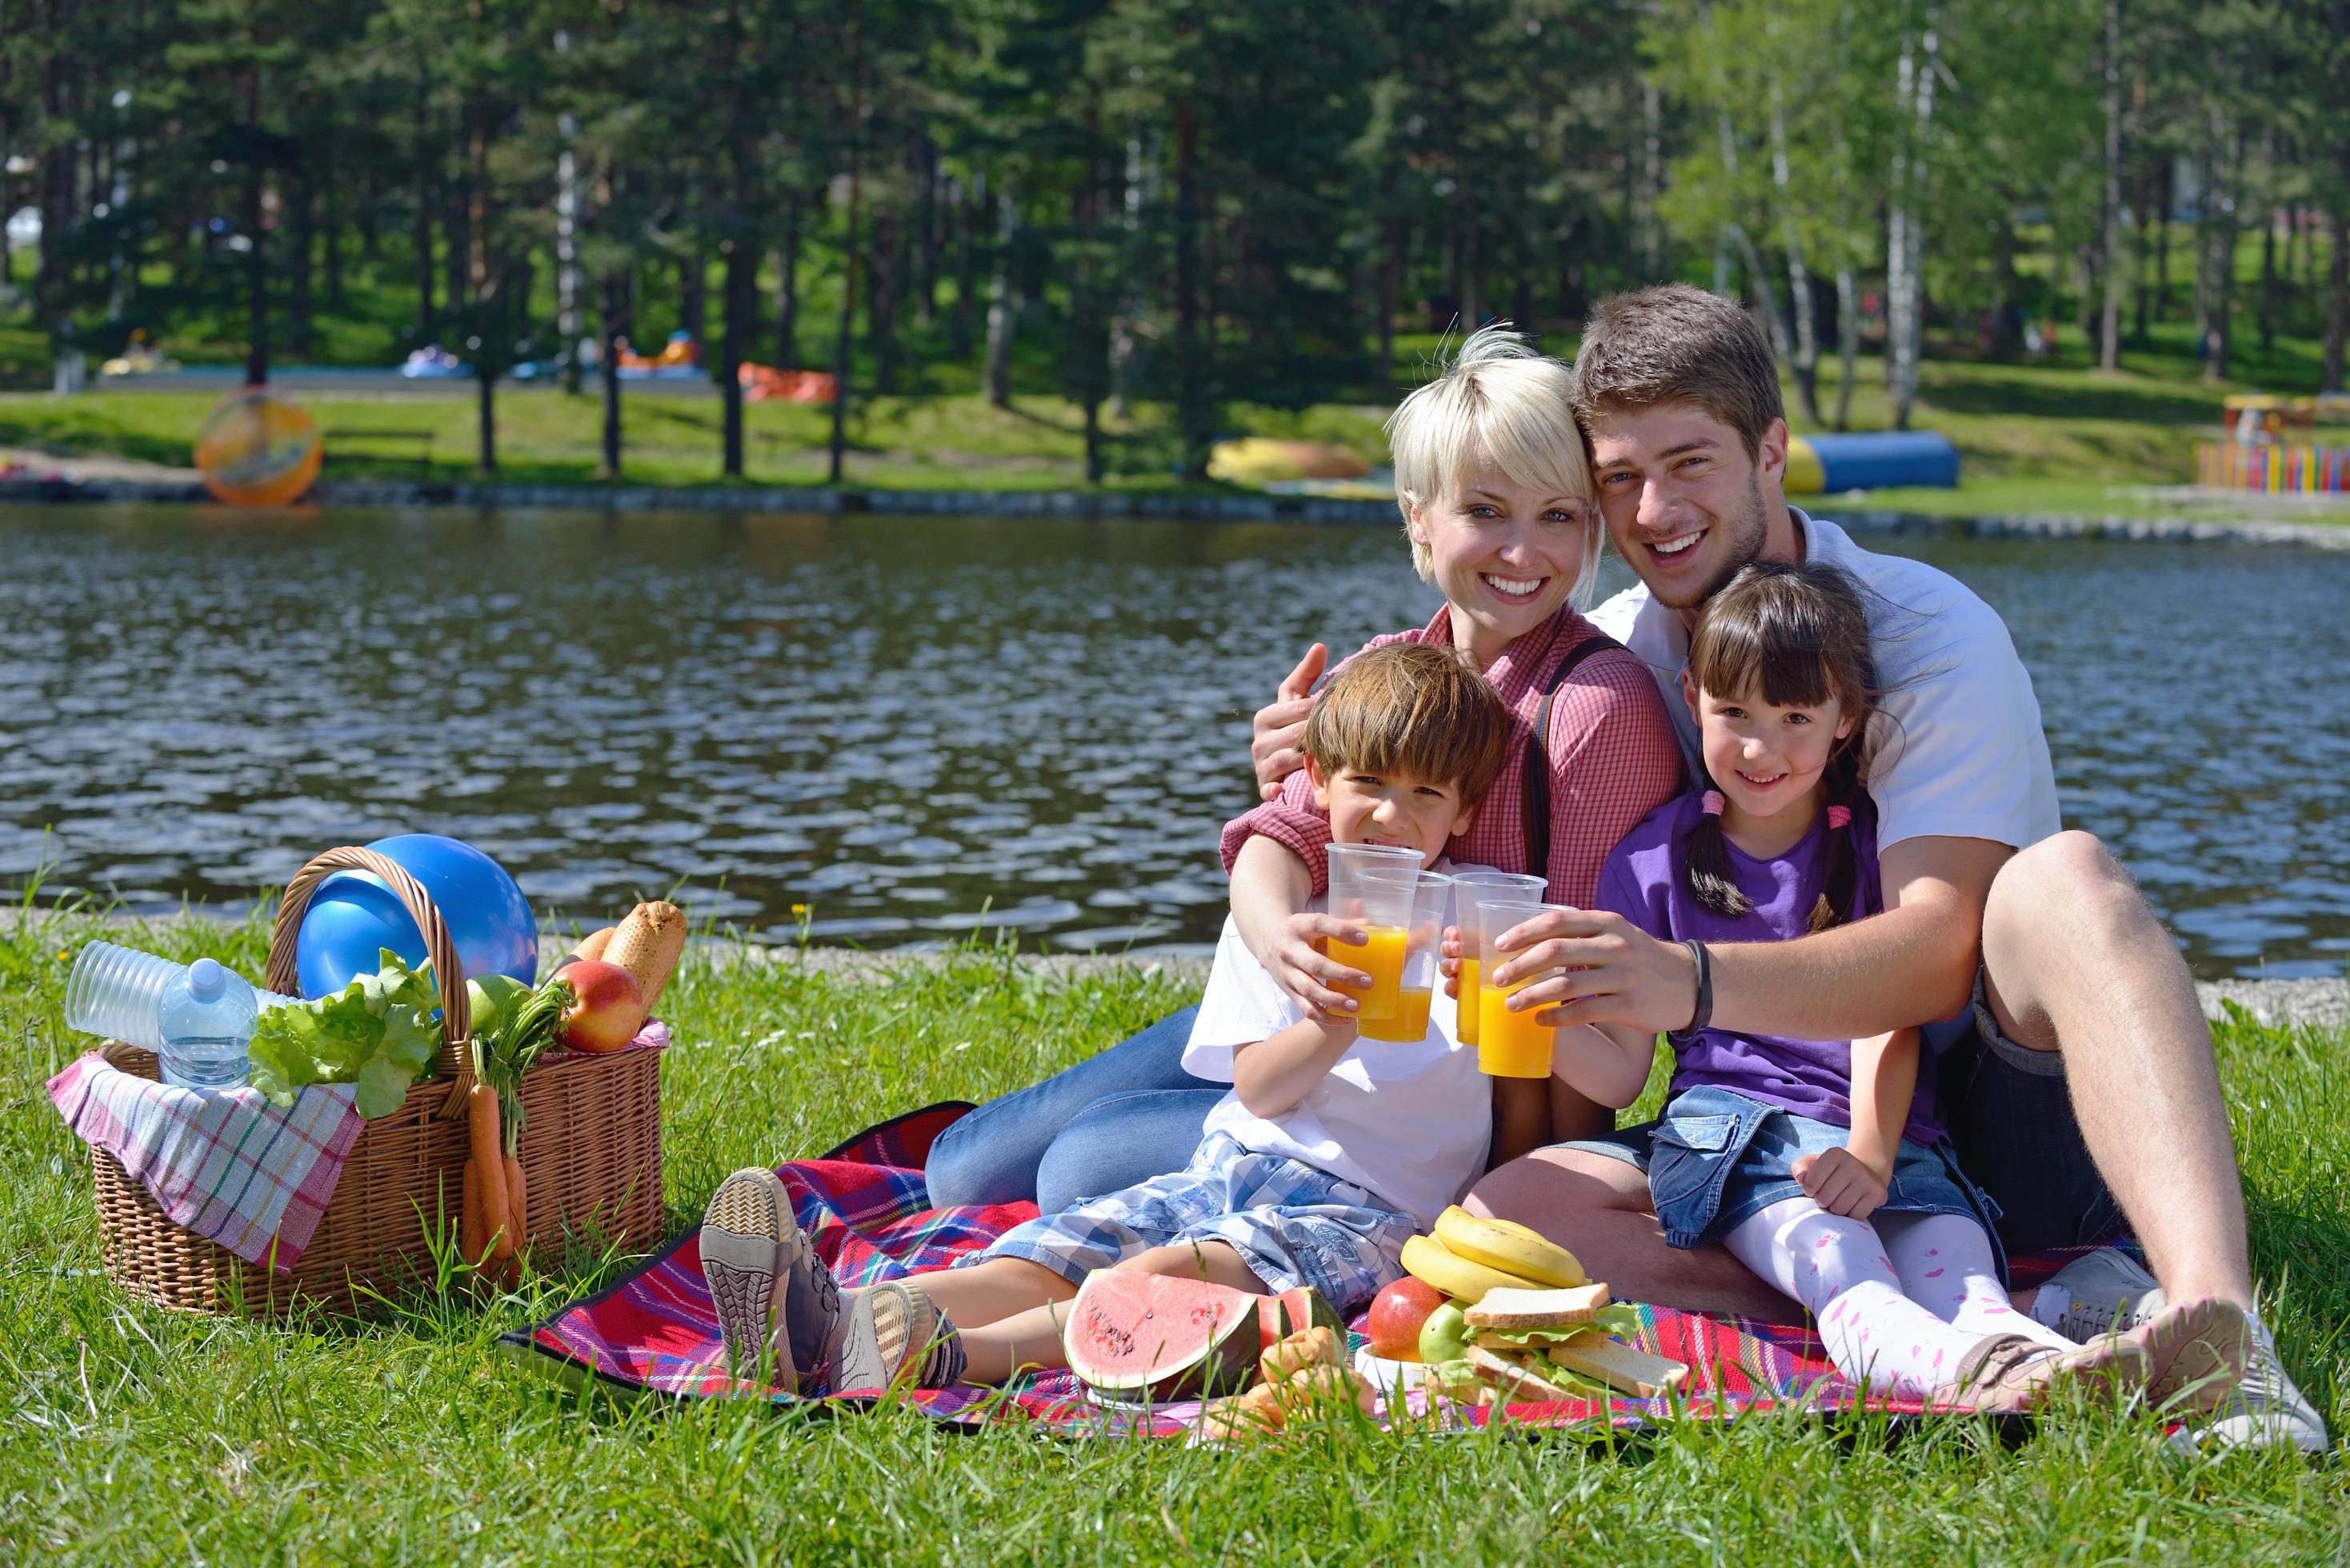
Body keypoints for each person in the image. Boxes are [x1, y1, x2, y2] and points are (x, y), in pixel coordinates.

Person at [1447, 283, 2320, 1450]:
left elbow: (1932, 956)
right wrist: (1314, 763)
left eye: (1690, 461)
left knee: (2065, 880)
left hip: (1992, 1117)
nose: (1653, 510)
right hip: (1766, 1141)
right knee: (1511, 1217)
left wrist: (1690, 983)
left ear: (1772, 452)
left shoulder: (1925, 629)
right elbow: (1457, 717)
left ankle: (2218, 1334)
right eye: (1618, 477)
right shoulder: (1620, 653)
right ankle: (1970, 1324)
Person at [921, 325, 1682, 1212]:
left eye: (1557, 515)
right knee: (961, 1174)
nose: (1523, 552)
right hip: (1321, 1013)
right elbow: (1279, 834)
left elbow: (1592, 1007)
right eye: (1485, 511)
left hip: (1436, 1108)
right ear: (1418, 519)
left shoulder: (1595, 709)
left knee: (1079, 1168)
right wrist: (1280, 939)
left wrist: (1520, 1191)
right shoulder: (1387, 666)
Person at [703, 642, 1516, 1390]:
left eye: (1425, 793)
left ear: (1466, 810)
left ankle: (920, 1352)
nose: (1388, 815)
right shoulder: (1290, 921)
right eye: (1367, 784)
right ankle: (822, 1313)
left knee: (1161, 1278)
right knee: (1059, 1250)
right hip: (1230, 1161)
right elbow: (1259, 1090)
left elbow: (1571, 1071)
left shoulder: (1473, 932)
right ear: (1318, 776)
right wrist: (1331, 1023)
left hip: (1367, 1214)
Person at [1550, 558, 2244, 1409]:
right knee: (1844, 1270)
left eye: (1795, 717)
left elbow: (1887, 1011)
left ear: (1846, 721)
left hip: (1900, 1142)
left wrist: (1874, 1151)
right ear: (1691, 696)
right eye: (1734, 713)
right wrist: (1533, 1014)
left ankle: (2039, 1354)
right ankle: (1970, 1378)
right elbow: (1621, 1074)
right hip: (1740, 1141)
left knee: (1966, 1280)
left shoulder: (1870, 845)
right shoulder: (1653, 860)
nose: (1761, 747)